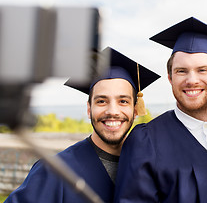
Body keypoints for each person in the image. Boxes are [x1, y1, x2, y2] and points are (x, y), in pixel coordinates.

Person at [115, 17, 207, 203]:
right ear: (170, 77)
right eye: (181, 71)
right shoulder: (145, 141)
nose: (192, 80)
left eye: (202, 70)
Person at [5, 47, 160, 203]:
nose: (113, 111)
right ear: (88, 109)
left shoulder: (154, 167)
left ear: (135, 109)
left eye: (123, 101)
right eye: (101, 101)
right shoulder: (56, 170)